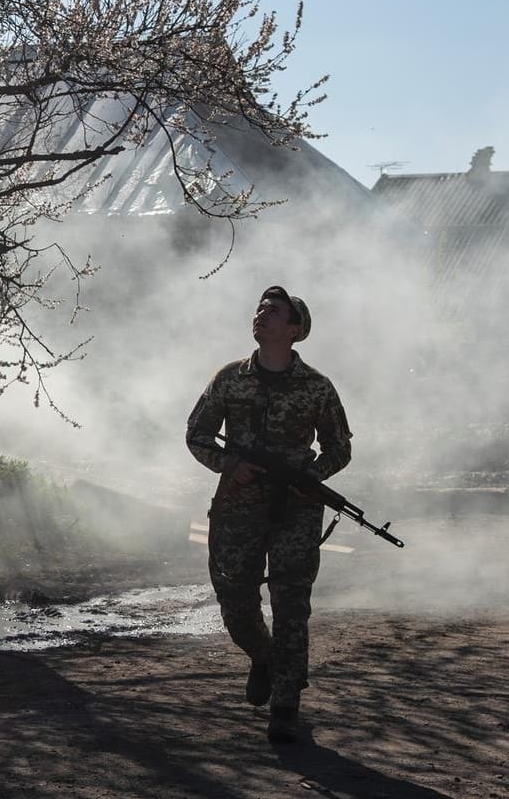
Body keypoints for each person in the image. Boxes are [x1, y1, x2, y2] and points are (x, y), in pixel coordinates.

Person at [185, 286, 352, 745]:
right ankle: (265, 656)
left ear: (295, 330)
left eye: (274, 312)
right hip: (237, 505)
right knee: (234, 596)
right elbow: (197, 434)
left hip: (295, 508)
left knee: (291, 601)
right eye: (260, 308)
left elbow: (340, 447)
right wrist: (229, 466)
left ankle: (285, 704)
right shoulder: (229, 378)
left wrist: (311, 475)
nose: (261, 315)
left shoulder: (317, 386)